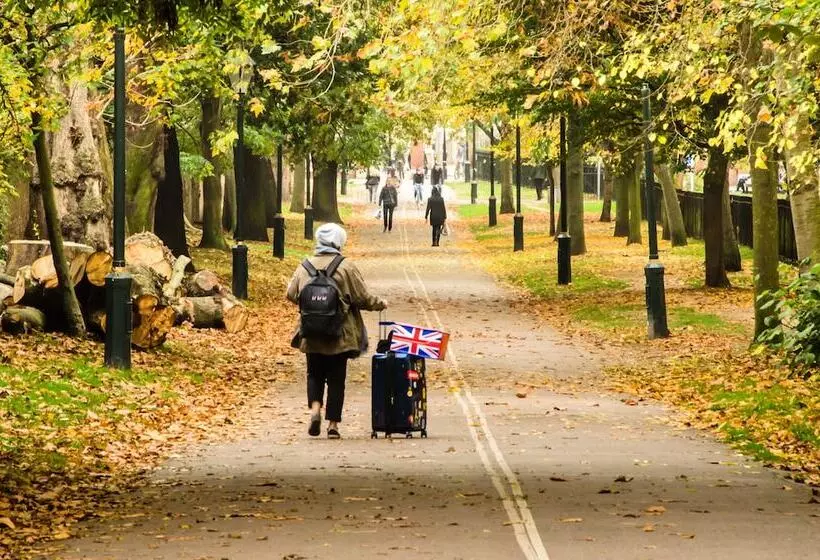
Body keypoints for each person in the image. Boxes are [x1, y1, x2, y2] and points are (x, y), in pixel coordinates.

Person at [287, 223, 387, 439]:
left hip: (311, 332)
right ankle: (333, 424)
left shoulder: (305, 266)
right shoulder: (345, 267)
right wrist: (381, 303)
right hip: (339, 334)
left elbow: (291, 293)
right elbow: (362, 297)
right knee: (336, 378)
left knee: (314, 373)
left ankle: (315, 410)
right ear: (339, 242)